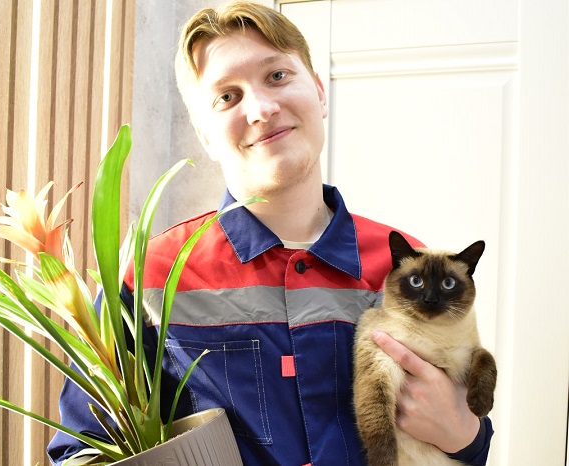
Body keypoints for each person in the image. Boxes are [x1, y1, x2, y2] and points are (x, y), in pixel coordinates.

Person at [48, 2, 494, 465]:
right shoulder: (150, 276)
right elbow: (80, 450)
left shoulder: (404, 267)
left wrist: (466, 435)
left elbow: (462, 421)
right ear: (204, 133)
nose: (261, 109)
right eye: (227, 96)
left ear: (319, 92)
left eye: (277, 76)